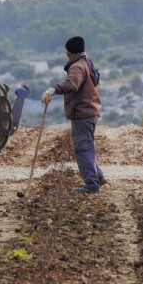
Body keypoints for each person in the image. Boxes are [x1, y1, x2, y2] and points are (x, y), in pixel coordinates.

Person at [41, 36, 105, 194]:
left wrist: (54, 89)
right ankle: (99, 177)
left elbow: (72, 84)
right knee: (87, 145)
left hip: (82, 113)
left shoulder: (77, 67)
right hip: (91, 111)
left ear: (68, 52)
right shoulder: (87, 63)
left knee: (82, 149)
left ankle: (91, 184)